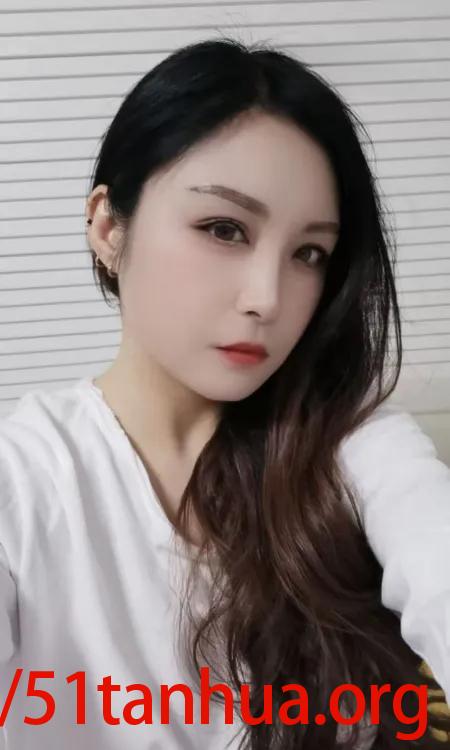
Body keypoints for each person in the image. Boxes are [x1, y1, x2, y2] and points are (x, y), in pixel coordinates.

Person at [0, 36, 449, 750]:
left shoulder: (353, 444)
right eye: (223, 228)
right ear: (108, 227)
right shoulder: (25, 477)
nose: (268, 298)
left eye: (309, 253)